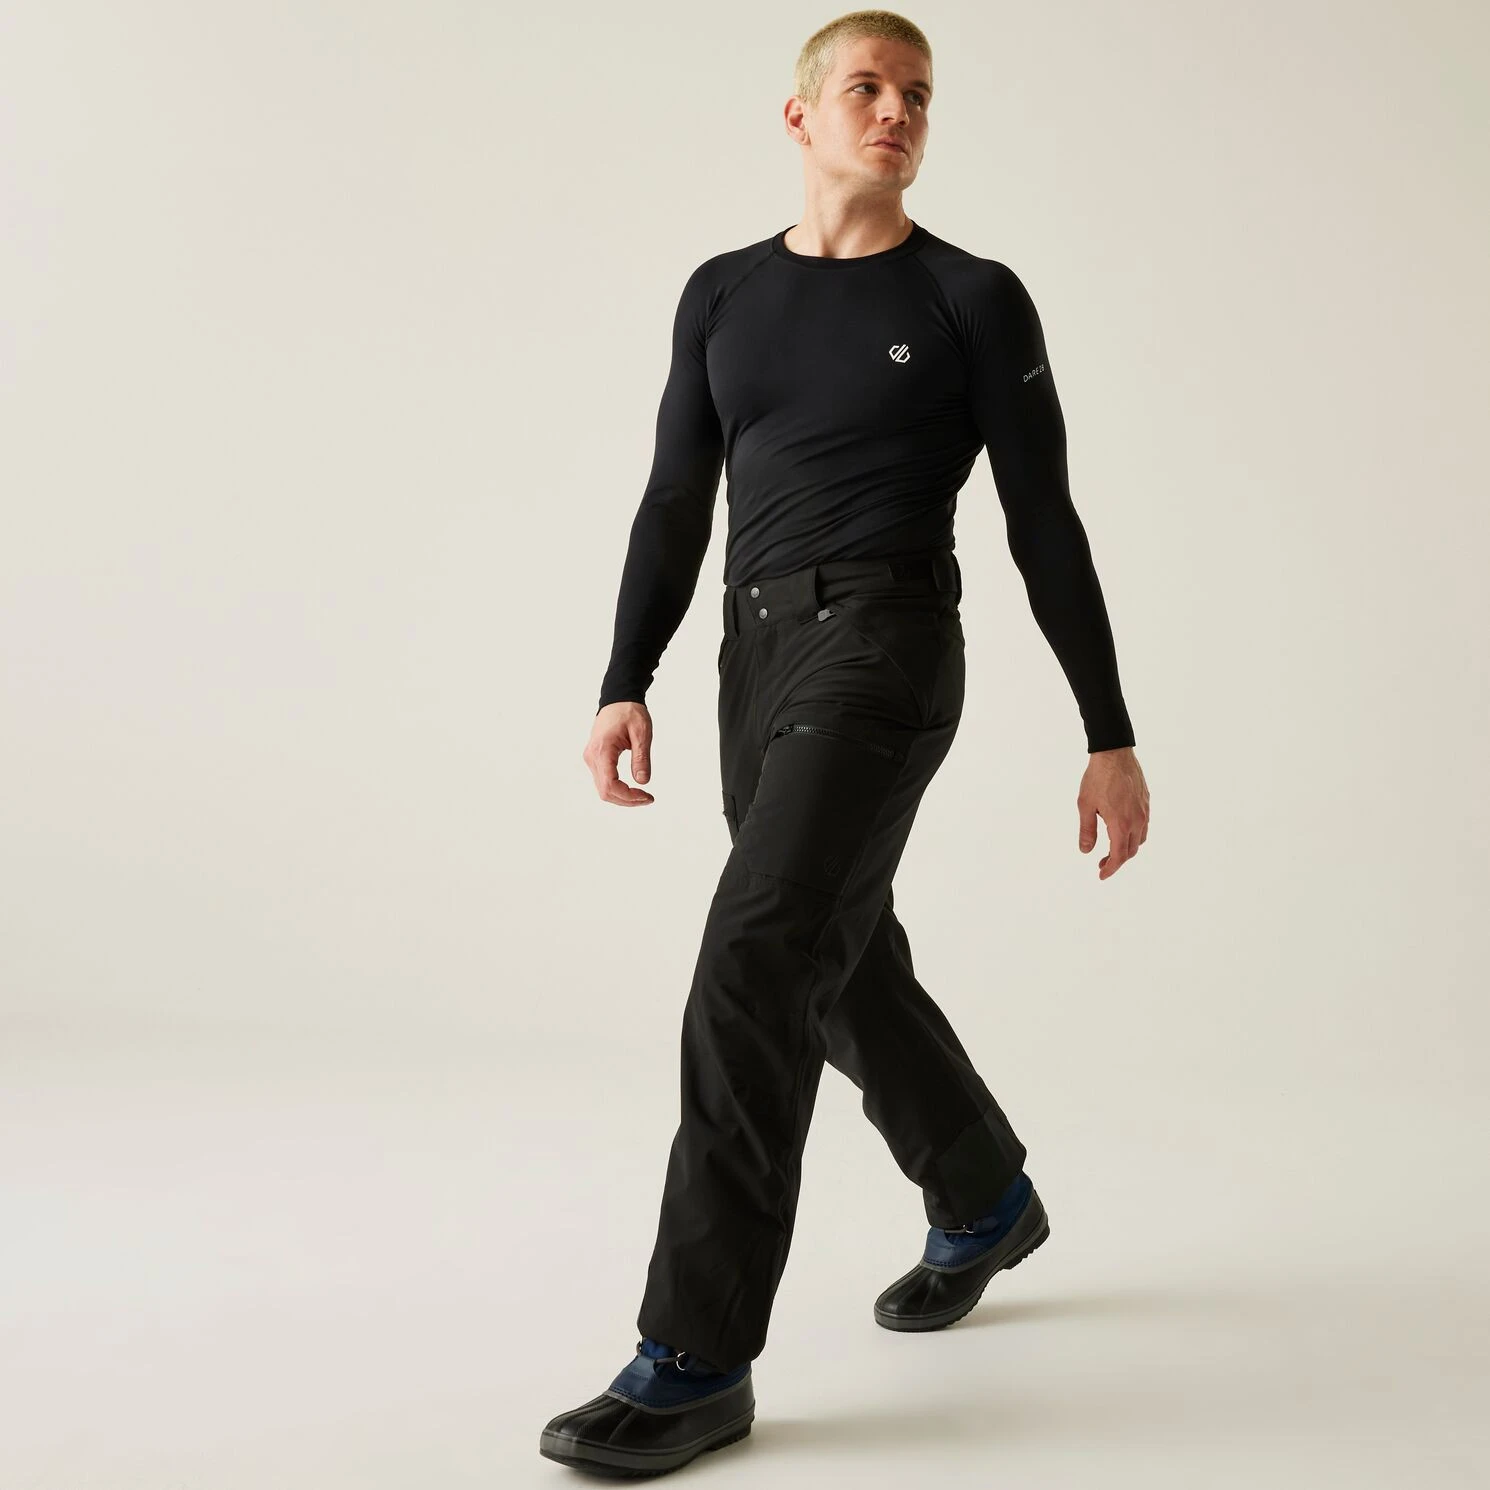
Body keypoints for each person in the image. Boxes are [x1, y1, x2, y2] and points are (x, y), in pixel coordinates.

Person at [543, 8, 1151, 1476]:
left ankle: (694, 1357)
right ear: (800, 115)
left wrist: (1108, 730)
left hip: (885, 644)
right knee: (837, 949)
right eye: (867, 88)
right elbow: (674, 498)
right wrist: (625, 674)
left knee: (755, 957)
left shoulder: (969, 297)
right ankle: (983, 1193)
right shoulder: (721, 294)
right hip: (752, 653)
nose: (895, 113)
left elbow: (1043, 519)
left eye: (917, 95)